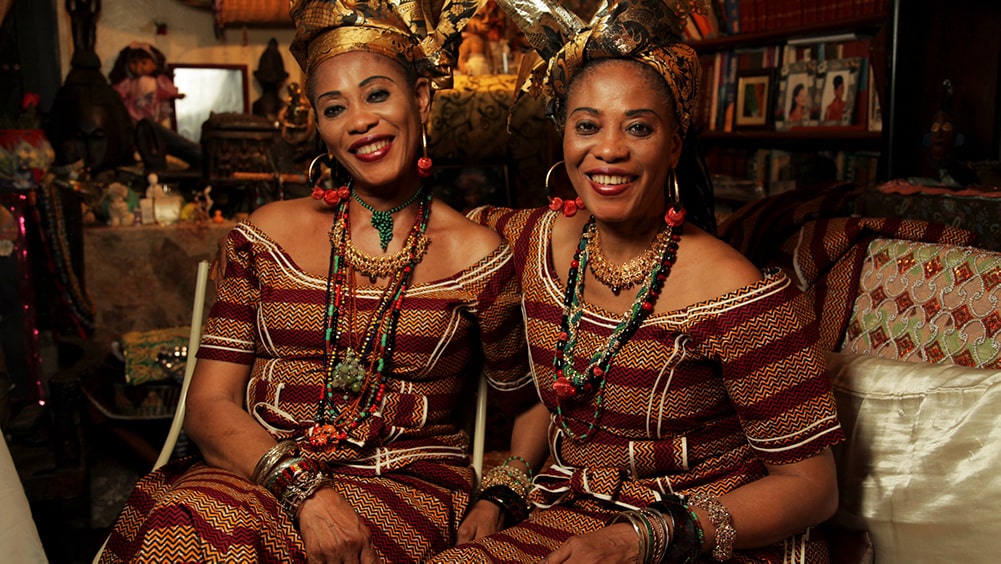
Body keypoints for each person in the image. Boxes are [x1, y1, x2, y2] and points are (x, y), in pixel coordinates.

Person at [98, 0, 536, 562]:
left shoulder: (478, 257)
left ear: (421, 99)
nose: (359, 121)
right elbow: (208, 404)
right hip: (255, 471)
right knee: (189, 527)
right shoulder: (265, 237)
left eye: (378, 94)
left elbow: (528, 402)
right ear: (320, 127)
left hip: (405, 488)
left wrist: (500, 494)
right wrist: (306, 490)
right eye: (335, 108)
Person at [437, 0, 845, 562]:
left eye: (638, 127)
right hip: (572, 510)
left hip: (702, 531)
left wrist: (644, 540)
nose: (608, 149)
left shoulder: (737, 290)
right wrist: (503, 490)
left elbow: (813, 489)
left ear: (674, 145)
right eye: (587, 126)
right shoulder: (531, 241)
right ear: (563, 140)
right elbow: (422, 232)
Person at [108, 41, 201, 167]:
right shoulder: (129, 82)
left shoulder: (157, 81)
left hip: (152, 116)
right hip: (133, 115)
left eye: (144, 63)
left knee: (154, 135)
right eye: (134, 63)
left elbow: (166, 91)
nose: (138, 67)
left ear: (154, 65)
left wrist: (175, 95)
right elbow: (119, 93)